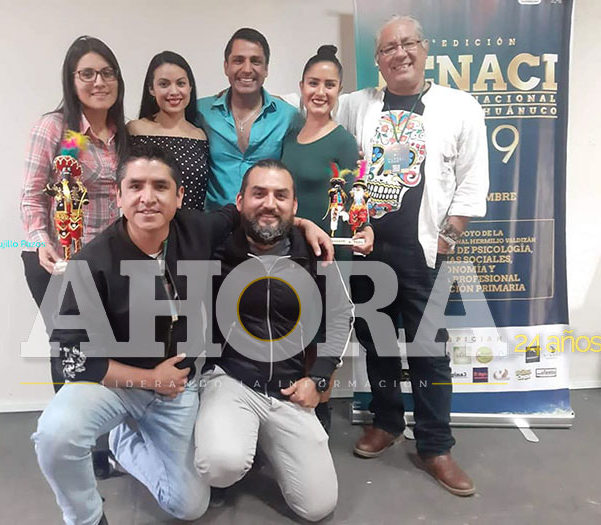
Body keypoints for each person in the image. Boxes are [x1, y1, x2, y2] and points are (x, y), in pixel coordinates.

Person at [31, 144, 335, 525]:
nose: (148, 197)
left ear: (179, 197)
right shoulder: (91, 262)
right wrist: (149, 379)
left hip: (177, 389)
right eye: (136, 186)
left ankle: (124, 444)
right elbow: (73, 359)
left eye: (160, 186)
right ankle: (86, 517)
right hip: (113, 383)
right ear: (118, 196)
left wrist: (304, 224)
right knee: (55, 434)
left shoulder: (198, 230)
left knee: (190, 505)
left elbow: (254, 212)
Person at [336, 15, 489, 496]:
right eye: (388, 48)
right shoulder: (357, 105)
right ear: (377, 59)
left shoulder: (459, 107)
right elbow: (317, 119)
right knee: (376, 343)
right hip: (367, 252)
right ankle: (386, 422)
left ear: (424, 49)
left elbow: (472, 178)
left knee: (429, 350)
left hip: (424, 252)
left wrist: (449, 237)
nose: (399, 53)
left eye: (408, 44)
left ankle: (435, 445)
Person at [194, 159, 353, 522]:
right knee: (220, 465)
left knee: (317, 506)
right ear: (240, 201)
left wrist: (319, 378)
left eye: (281, 196)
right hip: (231, 380)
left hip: (289, 389)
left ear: (294, 205)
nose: (269, 203)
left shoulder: (313, 253)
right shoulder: (214, 248)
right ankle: (234, 439)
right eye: (259, 194)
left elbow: (341, 314)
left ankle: (262, 440)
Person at [19, 34, 128, 478]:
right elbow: (30, 196)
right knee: (71, 352)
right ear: (71, 79)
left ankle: (108, 443)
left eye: (107, 73)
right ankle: (75, 450)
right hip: (58, 261)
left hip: (108, 263)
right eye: (87, 74)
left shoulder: (123, 133)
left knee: (110, 347)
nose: (98, 82)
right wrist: (40, 240)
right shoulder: (54, 128)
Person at [281, 45, 360, 432]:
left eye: (329, 85)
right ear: (301, 86)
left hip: (329, 252)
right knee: (296, 332)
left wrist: (363, 230)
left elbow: (355, 199)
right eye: (314, 83)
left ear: (339, 91)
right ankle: (290, 416)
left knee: (325, 335)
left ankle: (320, 417)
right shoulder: (289, 136)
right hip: (290, 249)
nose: (320, 91)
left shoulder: (343, 142)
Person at [198, 27, 303, 210]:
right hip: (214, 222)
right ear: (226, 66)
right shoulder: (201, 111)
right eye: (238, 60)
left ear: (266, 69)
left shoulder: (289, 117)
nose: (247, 69)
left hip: (265, 219)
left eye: (255, 61)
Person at [128, 51, 210, 210]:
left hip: (194, 224)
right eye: (164, 84)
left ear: (190, 87)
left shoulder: (200, 135)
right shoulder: (135, 130)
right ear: (151, 89)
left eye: (181, 83)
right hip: (148, 222)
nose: (174, 92)